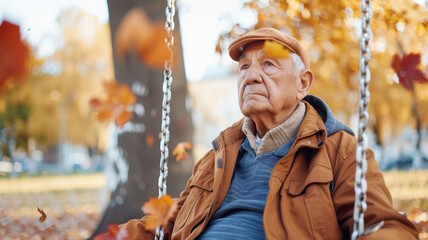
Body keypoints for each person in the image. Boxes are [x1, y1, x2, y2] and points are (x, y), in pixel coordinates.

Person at [121, 28, 419, 239]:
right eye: (244, 67)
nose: (250, 76)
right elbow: (168, 224)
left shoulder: (340, 151)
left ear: (303, 83)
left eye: (268, 64)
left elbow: (388, 228)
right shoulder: (217, 156)